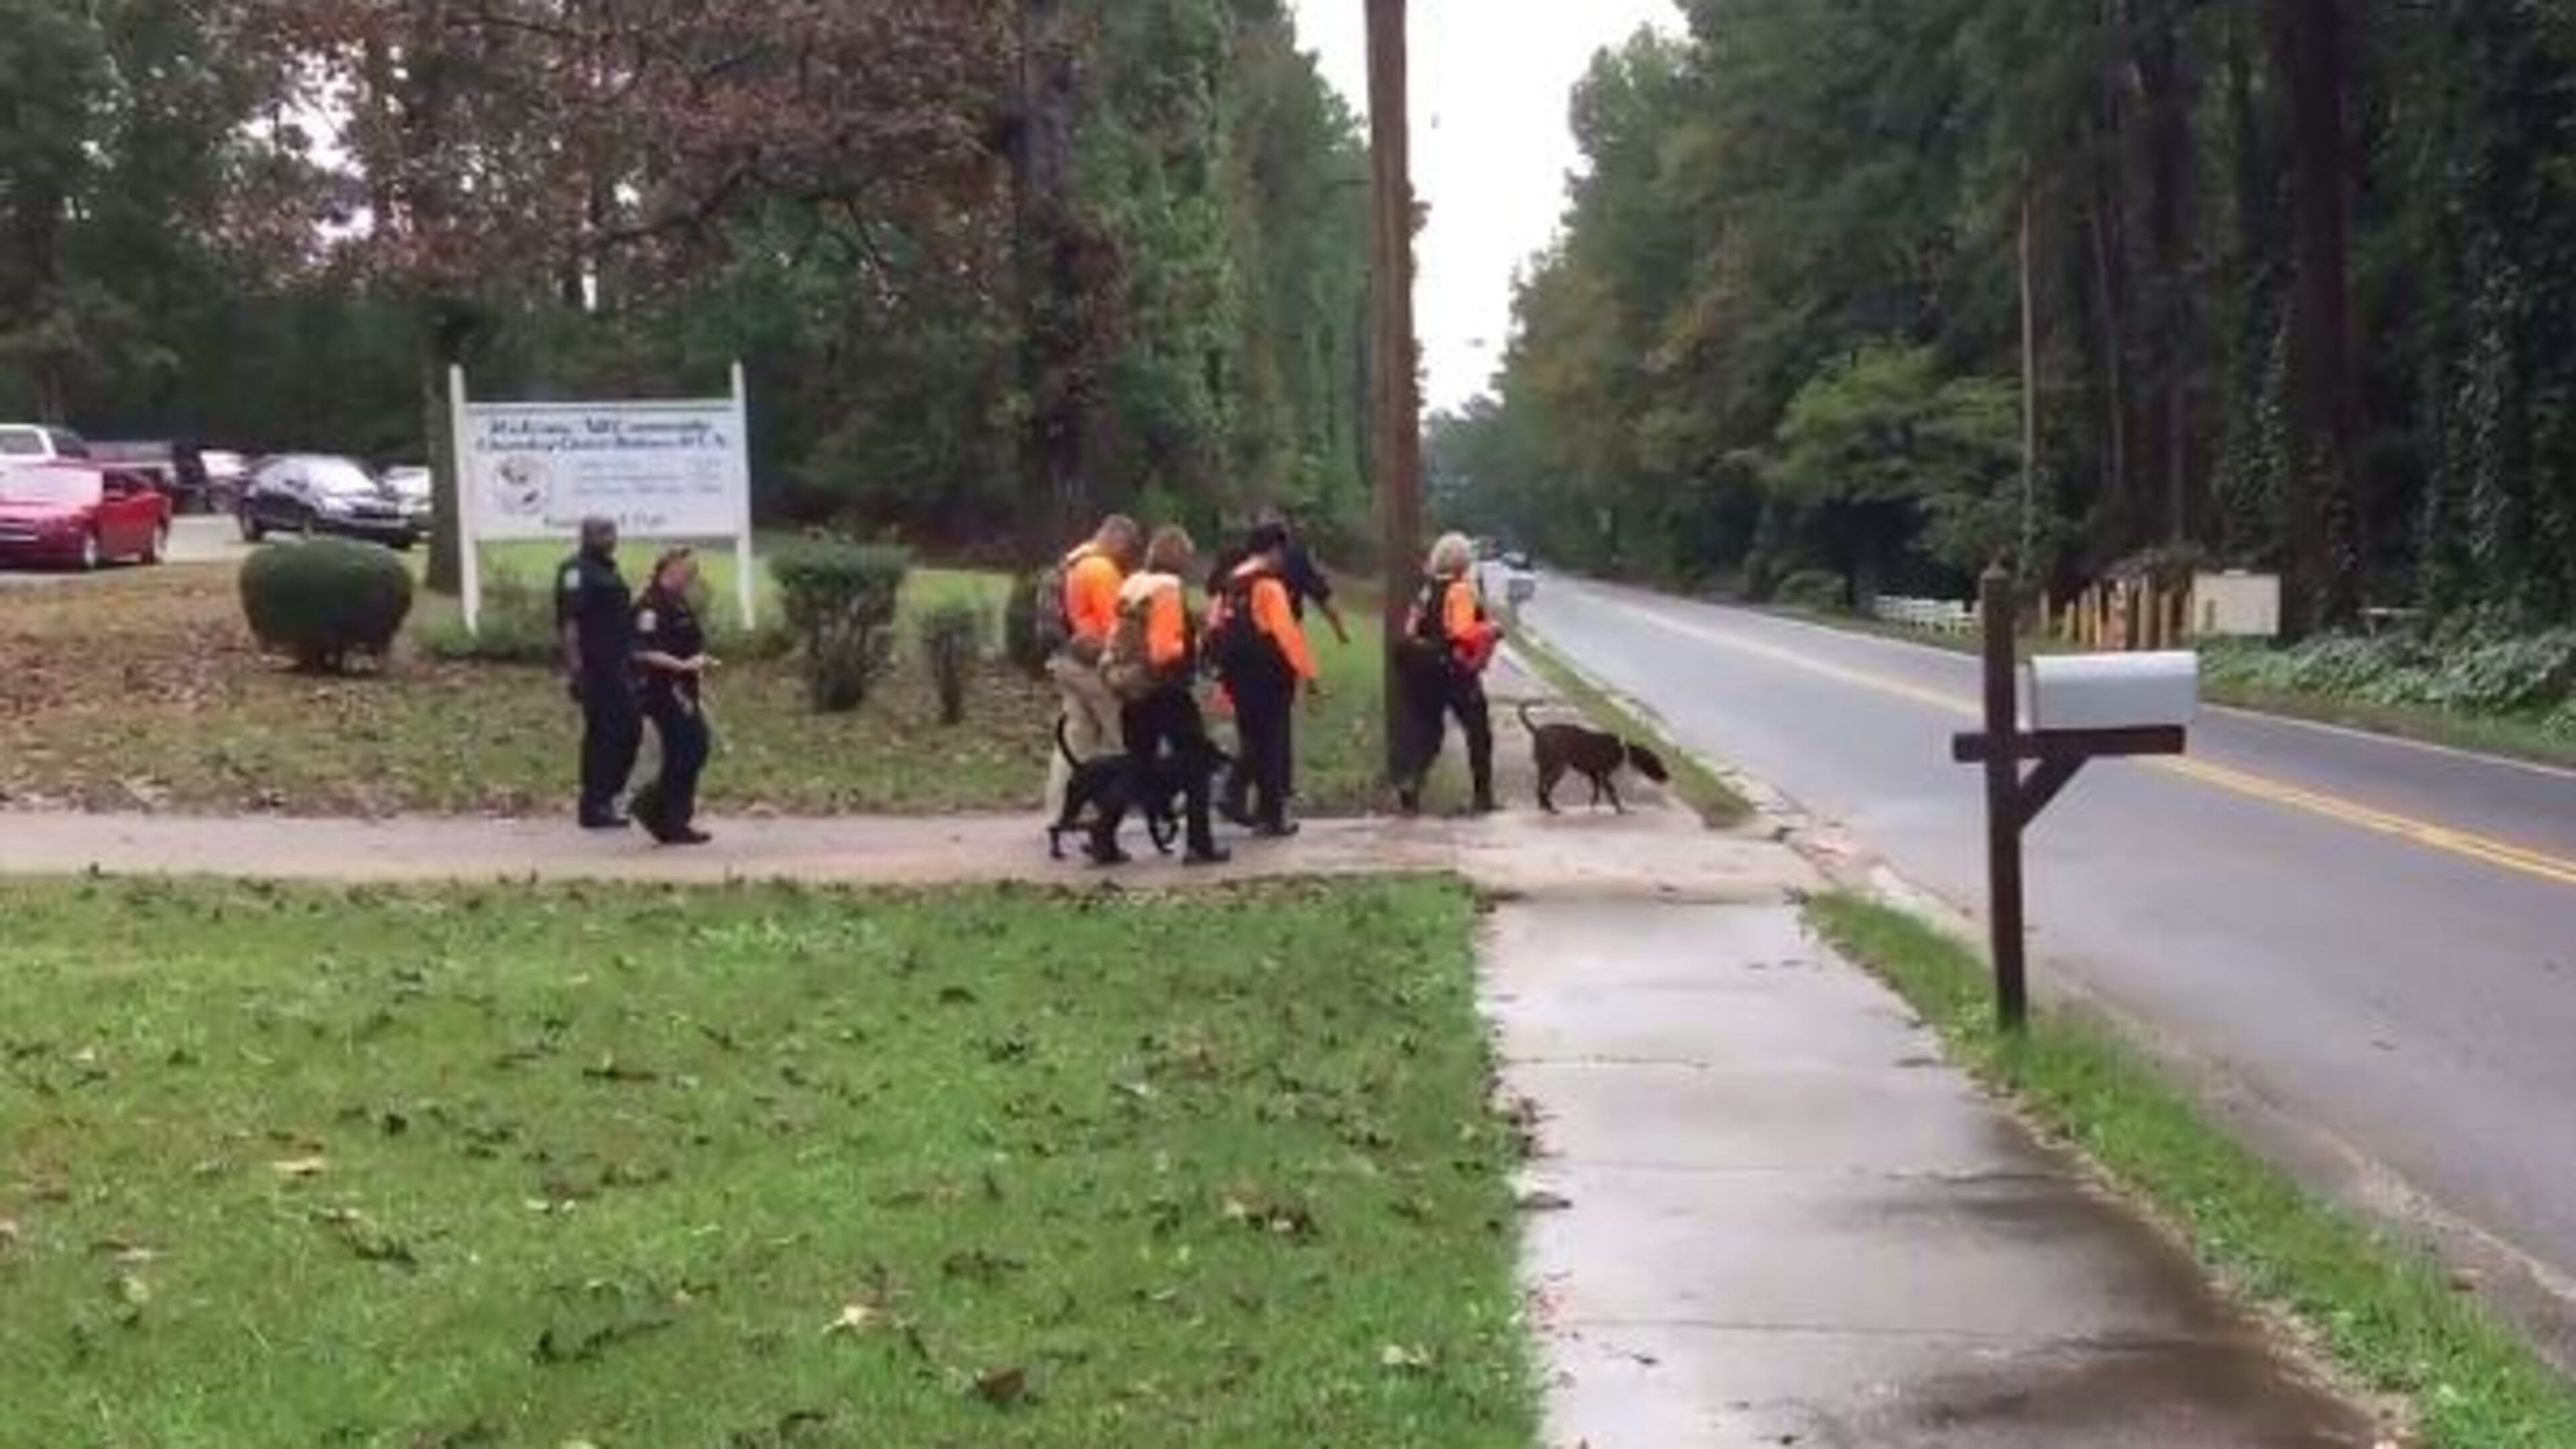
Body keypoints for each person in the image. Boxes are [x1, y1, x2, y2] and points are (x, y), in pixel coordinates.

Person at [1097, 526, 1228, 866]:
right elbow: (1163, 650)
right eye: (1187, 555)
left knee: (1138, 765)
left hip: (1132, 689)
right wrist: (1192, 644)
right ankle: (1200, 845)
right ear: (1179, 557)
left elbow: (1119, 635)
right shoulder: (1168, 589)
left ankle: (1103, 835)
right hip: (1166, 691)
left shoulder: (1133, 585)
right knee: (1198, 763)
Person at [1210, 523, 1318, 837]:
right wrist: (1309, 673)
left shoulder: (1230, 584)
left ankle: (1241, 797)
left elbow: (1215, 626)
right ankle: (1269, 812)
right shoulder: (1269, 587)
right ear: (1273, 550)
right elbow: (1287, 636)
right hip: (1269, 675)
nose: (1283, 558)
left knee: (1253, 740)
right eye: (1281, 551)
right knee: (1272, 743)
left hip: (1237, 676)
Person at [1395, 531, 1504, 816]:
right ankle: (1483, 795)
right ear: (1462, 560)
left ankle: (1412, 783)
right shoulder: (1461, 590)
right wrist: (1490, 630)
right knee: (1478, 730)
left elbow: (1410, 630)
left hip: (1424, 670)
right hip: (1457, 669)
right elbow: (1462, 632)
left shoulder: (1427, 590)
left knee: (1429, 732)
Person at [1045, 514, 1142, 820]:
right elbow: (1115, 626)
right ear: (1116, 539)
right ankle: (1114, 808)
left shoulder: (1073, 561)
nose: (1129, 557)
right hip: (1094, 665)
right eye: (1129, 548)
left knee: (1076, 739)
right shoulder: (1102, 570)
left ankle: (1062, 810)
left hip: (1065, 659)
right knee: (1120, 737)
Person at [629, 547, 718, 846]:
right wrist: (682, 665)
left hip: (683, 688)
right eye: (687, 572)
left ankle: (668, 816)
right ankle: (665, 814)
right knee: (687, 749)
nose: (692, 578)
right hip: (661, 689)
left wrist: (699, 662)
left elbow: (688, 641)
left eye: (694, 573)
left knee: (693, 748)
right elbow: (644, 650)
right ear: (670, 569)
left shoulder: (678, 604)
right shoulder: (650, 606)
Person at [557, 516, 641, 829]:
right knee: (606, 735)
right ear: (586, 536)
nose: (610, 538)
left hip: (619, 666)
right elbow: (570, 624)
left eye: (612, 532)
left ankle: (609, 797)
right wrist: (576, 670)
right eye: (603, 532)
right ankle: (595, 804)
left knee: (627, 730)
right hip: (596, 668)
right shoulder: (577, 572)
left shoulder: (608, 570)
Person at [1258, 504, 1351, 645]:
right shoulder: (1298, 557)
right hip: (1284, 632)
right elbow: (1324, 600)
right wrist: (1340, 632)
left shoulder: (1245, 558)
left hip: (1254, 634)